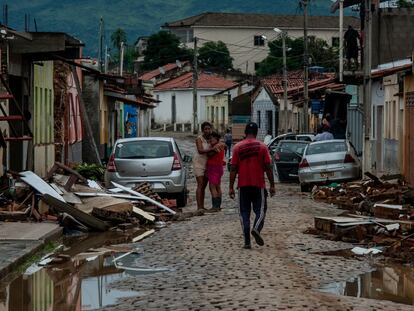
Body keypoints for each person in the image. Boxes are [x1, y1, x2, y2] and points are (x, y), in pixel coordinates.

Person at [229, 122, 275, 249]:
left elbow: (233, 168)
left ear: (245, 132)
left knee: (244, 213)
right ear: (256, 132)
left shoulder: (237, 147)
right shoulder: (263, 147)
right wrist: (272, 185)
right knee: (260, 210)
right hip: (258, 184)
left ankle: (247, 241)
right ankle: (256, 228)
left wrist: (231, 187)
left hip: (243, 185)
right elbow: (268, 168)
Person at [193, 122, 214, 211]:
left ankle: (202, 206)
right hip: (199, 163)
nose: (207, 131)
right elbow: (200, 150)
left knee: (204, 186)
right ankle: (199, 207)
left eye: (209, 129)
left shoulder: (212, 139)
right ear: (202, 130)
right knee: (200, 185)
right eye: (205, 129)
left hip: (208, 163)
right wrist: (212, 149)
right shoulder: (199, 139)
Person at [206, 131, 225, 211]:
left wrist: (210, 149)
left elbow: (209, 155)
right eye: (209, 139)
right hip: (219, 167)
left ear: (216, 138)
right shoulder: (220, 145)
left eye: (211, 138)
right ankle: (218, 205)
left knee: (212, 187)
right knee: (217, 186)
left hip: (213, 167)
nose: (210, 140)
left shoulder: (217, 146)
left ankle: (215, 206)